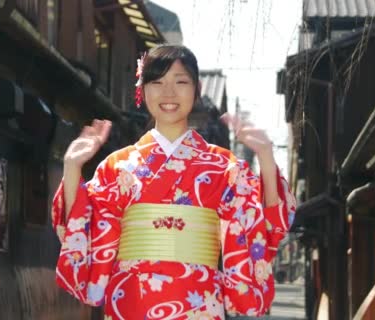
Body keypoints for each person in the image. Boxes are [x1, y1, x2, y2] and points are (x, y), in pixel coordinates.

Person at [52, 45, 296, 319]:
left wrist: (265, 157)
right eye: (157, 82)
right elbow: (82, 229)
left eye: (180, 81)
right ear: (142, 90)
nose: (168, 93)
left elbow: (263, 226)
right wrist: (72, 166)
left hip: (199, 302)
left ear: (197, 88)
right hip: (131, 301)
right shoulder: (117, 166)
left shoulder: (223, 167)